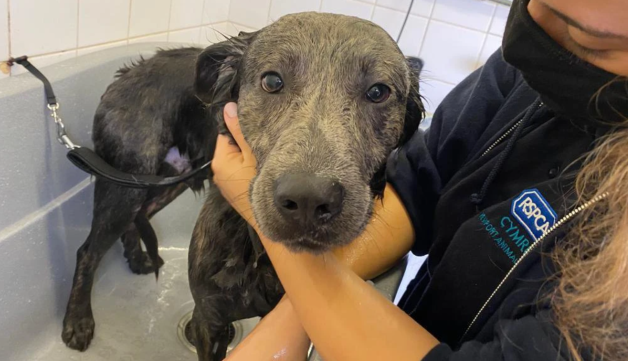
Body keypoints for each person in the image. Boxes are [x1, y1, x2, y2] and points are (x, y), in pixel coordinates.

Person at [211, 0, 628, 360]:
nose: (529, 31)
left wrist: (260, 216)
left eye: (588, 39)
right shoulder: (525, 65)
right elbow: (417, 186)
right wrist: (294, 318)